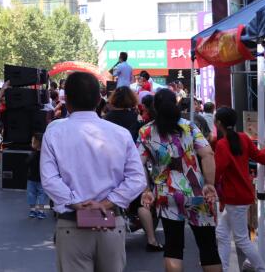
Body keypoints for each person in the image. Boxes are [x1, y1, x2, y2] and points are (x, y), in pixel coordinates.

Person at [41, 72, 146, 272]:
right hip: (111, 222)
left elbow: (49, 179)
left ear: (66, 100)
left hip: (71, 224)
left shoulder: (54, 132)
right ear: (99, 100)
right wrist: (105, 203)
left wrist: (77, 203)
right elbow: (137, 179)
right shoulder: (121, 134)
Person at [137, 88, 221, 272]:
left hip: (166, 194)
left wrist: (146, 189)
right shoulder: (189, 127)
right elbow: (207, 154)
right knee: (208, 247)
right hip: (198, 192)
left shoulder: (146, 131)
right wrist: (209, 184)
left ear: (155, 107)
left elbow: (138, 163)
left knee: (173, 248)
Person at [103, 86, 162, 252]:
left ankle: (108, 241)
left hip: (110, 165)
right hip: (133, 163)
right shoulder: (136, 117)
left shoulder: (106, 119)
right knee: (141, 201)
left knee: (108, 201)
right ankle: (151, 240)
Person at [214, 107, 265, 272]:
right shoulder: (243, 137)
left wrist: (209, 185)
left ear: (218, 123)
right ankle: (224, 268)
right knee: (222, 233)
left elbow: (217, 171)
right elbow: (259, 156)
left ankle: (261, 268)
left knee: (241, 239)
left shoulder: (222, 144)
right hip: (242, 195)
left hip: (234, 198)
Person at [26, 132, 48, 219]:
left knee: (31, 194)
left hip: (32, 178)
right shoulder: (46, 154)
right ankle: (41, 211)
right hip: (42, 179)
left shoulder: (33, 154)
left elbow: (27, 162)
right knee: (42, 195)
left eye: (32, 141)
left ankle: (32, 211)